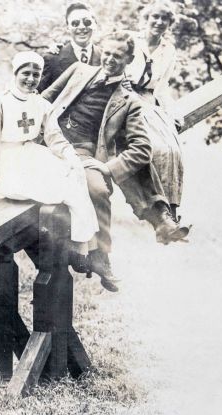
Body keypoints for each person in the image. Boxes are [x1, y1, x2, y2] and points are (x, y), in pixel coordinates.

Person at [41, 31, 182, 292]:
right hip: (48, 142)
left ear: (129, 59)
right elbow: (45, 98)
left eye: (117, 56)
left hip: (82, 152)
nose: (109, 59)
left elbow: (142, 148)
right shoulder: (78, 70)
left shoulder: (129, 101)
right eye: (106, 53)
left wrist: (106, 167)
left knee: (97, 189)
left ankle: (101, 256)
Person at [0, 51, 100, 282]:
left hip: (32, 155)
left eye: (36, 74)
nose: (31, 78)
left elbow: (55, 137)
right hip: (9, 162)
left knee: (74, 174)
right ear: (15, 74)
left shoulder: (42, 104)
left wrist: (69, 154)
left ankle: (82, 247)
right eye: (26, 73)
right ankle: (77, 249)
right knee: (59, 191)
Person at [124, 0, 185, 222]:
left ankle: (173, 208)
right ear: (146, 19)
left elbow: (162, 87)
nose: (159, 22)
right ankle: (159, 211)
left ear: (170, 23)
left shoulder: (168, 50)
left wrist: (173, 113)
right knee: (154, 148)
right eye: (155, 17)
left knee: (172, 149)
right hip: (124, 98)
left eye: (165, 19)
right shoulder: (130, 40)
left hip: (149, 100)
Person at [37, 1, 101, 93]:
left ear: (95, 24)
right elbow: (38, 96)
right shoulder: (52, 59)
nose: (82, 27)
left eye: (87, 22)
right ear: (68, 27)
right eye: (75, 23)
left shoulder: (106, 58)